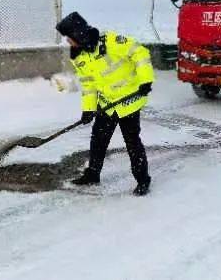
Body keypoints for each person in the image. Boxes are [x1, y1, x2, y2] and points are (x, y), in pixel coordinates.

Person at [56, 12, 155, 196]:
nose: (69, 42)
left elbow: (139, 52)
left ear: (78, 34)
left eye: (69, 38)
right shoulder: (79, 57)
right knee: (98, 140)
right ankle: (92, 174)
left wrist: (145, 79)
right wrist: (88, 110)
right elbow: (88, 85)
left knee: (132, 143)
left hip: (128, 101)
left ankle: (143, 180)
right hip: (107, 102)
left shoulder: (109, 41)